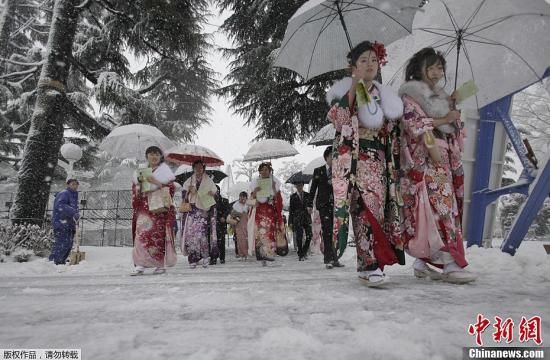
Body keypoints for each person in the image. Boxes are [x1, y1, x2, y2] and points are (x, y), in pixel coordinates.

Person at [326, 40, 405, 286]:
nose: (370, 64)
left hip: (379, 161)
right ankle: (370, 264)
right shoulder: (345, 92)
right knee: (363, 211)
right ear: (353, 66)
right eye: (363, 60)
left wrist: (386, 123)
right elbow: (340, 121)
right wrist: (354, 89)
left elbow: (391, 128)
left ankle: (371, 264)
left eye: (373, 59)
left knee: (378, 212)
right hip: (356, 162)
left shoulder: (383, 95)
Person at [398, 47, 476, 284]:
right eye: (430, 67)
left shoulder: (442, 97)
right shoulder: (410, 96)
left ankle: (422, 261)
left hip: (445, 158)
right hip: (427, 157)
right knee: (441, 209)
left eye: (439, 67)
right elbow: (415, 125)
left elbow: (455, 132)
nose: (435, 72)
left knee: (438, 209)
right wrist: (444, 119)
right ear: (418, 69)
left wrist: (452, 111)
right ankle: (450, 263)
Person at [131, 146, 177, 275]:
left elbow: (171, 190)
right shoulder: (140, 172)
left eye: (157, 154)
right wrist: (139, 187)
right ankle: (140, 264)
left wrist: (155, 182)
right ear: (146, 156)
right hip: (144, 209)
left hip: (158, 209)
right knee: (141, 236)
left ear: (160, 157)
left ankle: (159, 264)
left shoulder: (165, 172)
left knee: (158, 237)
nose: (154, 156)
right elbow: (135, 192)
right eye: (151, 154)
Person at [307, 146, 344, 269]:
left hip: (337, 205)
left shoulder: (339, 171)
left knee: (336, 232)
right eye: (330, 157)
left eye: (335, 157)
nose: (333, 159)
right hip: (323, 205)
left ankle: (335, 258)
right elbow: (313, 189)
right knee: (327, 231)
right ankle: (328, 258)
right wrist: (309, 204)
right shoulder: (319, 171)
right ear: (326, 158)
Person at [180, 160, 218, 268]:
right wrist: (188, 192)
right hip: (192, 210)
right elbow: (184, 195)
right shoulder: (189, 180)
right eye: (196, 167)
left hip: (203, 211)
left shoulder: (208, 180)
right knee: (191, 235)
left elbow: (215, 193)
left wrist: (213, 193)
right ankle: (193, 258)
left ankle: (205, 257)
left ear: (204, 168)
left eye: (201, 167)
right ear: (193, 168)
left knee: (202, 235)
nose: (198, 169)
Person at [248, 162, 288, 266]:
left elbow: (279, 202)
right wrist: (255, 192)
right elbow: (250, 201)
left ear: (270, 171)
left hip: (270, 213)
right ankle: (261, 256)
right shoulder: (255, 184)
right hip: (259, 212)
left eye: (266, 169)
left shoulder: (274, 183)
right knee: (260, 235)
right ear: (259, 172)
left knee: (269, 234)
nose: (264, 172)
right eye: (262, 170)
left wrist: (274, 190)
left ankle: (270, 255)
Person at [49, 178, 80, 265]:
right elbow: (60, 205)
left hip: (70, 224)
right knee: (62, 243)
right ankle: (55, 262)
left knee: (69, 244)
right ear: (68, 185)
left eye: (76, 184)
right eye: (72, 184)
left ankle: (61, 261)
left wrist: (76, 220)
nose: (75, 186)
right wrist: (73, 212)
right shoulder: (64, 193)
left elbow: (74, 210)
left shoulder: (74, 195)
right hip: (61, 223)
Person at [289, 182, 312, 261]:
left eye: (301, 185)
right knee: (299, 236)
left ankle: (304, 251)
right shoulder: (293, 196)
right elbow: (291, 210)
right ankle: (300, 254)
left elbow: (310, 204)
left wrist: (310, 208)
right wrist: (290, 222)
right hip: (297, 218)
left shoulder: (308, 195)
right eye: (298, 185)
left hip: (306, 217)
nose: (299, 187)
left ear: (303, 185)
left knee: (309, 235)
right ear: (295, 186)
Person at [227, 191, 249, 261]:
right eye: (240, 197)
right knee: (240, 240)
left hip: (247, 223)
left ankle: (247, 253)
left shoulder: (249, 205)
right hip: (239, 224)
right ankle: (241, 254)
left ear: (246, 198)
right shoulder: (236, 205)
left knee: (247, 239)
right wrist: (236, 217)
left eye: (243, 197)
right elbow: (232, 215)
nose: (242, 199)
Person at [211, 185, 230, 264]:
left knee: (221, 241)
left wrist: (224, 216)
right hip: (212, 223)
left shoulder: (224, 200)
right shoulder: (209, 201)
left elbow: (228, 210)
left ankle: (222, 257)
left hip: (221, 223)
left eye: (216, 191)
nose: (215, 192)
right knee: (212, 241)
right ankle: (213, 258)